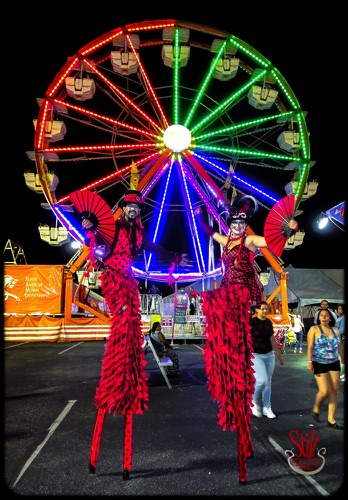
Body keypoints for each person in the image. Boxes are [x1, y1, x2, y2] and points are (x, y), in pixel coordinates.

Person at [82, 189, 187, 478]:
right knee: (125, 318)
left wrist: (172, 254)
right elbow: (96, 238)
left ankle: (127, 357)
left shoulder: (137, 233)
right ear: (123, 208)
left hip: (128, 280)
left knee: (132, 322)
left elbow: (151, 247)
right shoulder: (113, 227)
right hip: (115, 279)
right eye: (130, 207)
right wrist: (88, 225)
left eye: (138, 208)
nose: (134, 211)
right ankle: (122, 355)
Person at [194, 194, 297, 484]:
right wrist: (200, 209)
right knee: (222, 344)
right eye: (235, 223)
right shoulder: (225, 242)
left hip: (245, 299)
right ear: (230, 225)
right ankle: (228, 388)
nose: (238, 227)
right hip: (228, 298)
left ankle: (247, 401)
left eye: (242, 223)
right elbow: (207, 231)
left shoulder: (250, 242)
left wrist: (288, 229)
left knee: (243, 352)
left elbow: (271, 242)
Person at [307, 308, 344, 430]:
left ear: (330, 318)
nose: (323, 317)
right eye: (321, 315)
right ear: (318, 318)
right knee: (324, 391)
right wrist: (309, 362)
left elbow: (339, 346)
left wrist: (343, 357)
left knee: (334, 390)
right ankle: (316, 408)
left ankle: (331, 420)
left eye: (326, 315)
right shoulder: (314, 329)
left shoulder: (335, 331)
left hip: (333, 362)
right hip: (319, 362)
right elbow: (310, 347)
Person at [250, 301, 284, 419]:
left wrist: (279, 355)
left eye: (266, 309)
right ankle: (253, 402)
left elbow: (272, 339)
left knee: (268, 382)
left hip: (269, 355)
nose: (265, 311)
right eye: (262, 309)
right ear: (257, 310)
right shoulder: (251, 322)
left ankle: (267, 407)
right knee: (261, 380)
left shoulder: (269, 322)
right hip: (255, 355)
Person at [335, 304, 345, 382]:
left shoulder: (344, 318)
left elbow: (342, 330)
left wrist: (333, 333)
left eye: (340, 309)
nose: (339, 310)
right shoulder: (339, 317)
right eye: (338, 309)